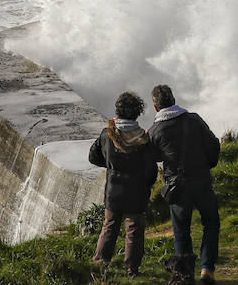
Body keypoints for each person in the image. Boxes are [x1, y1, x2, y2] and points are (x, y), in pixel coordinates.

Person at [148, 83, 222, 284]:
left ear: (156, 107)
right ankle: (207, 269)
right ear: (173, 100)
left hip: (177, 186)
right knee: (211, 223)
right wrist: (208, 164)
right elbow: (213, 144)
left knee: (181, 230)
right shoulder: (194, 120)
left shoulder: (155, 130)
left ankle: (185, 276)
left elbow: (152, 156)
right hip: (202, 181)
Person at [88, 91, 162, 276]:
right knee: (134, 231)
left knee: (109, 226)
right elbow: (151, 170)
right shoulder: (144, 139)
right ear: (137, 113)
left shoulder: (108, 134)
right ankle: (132, 270)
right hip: (137, 191)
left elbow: (93, 157)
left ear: (118, 111)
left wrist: (111, 166)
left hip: (114, 191)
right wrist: (147, 184)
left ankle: (99, 264)